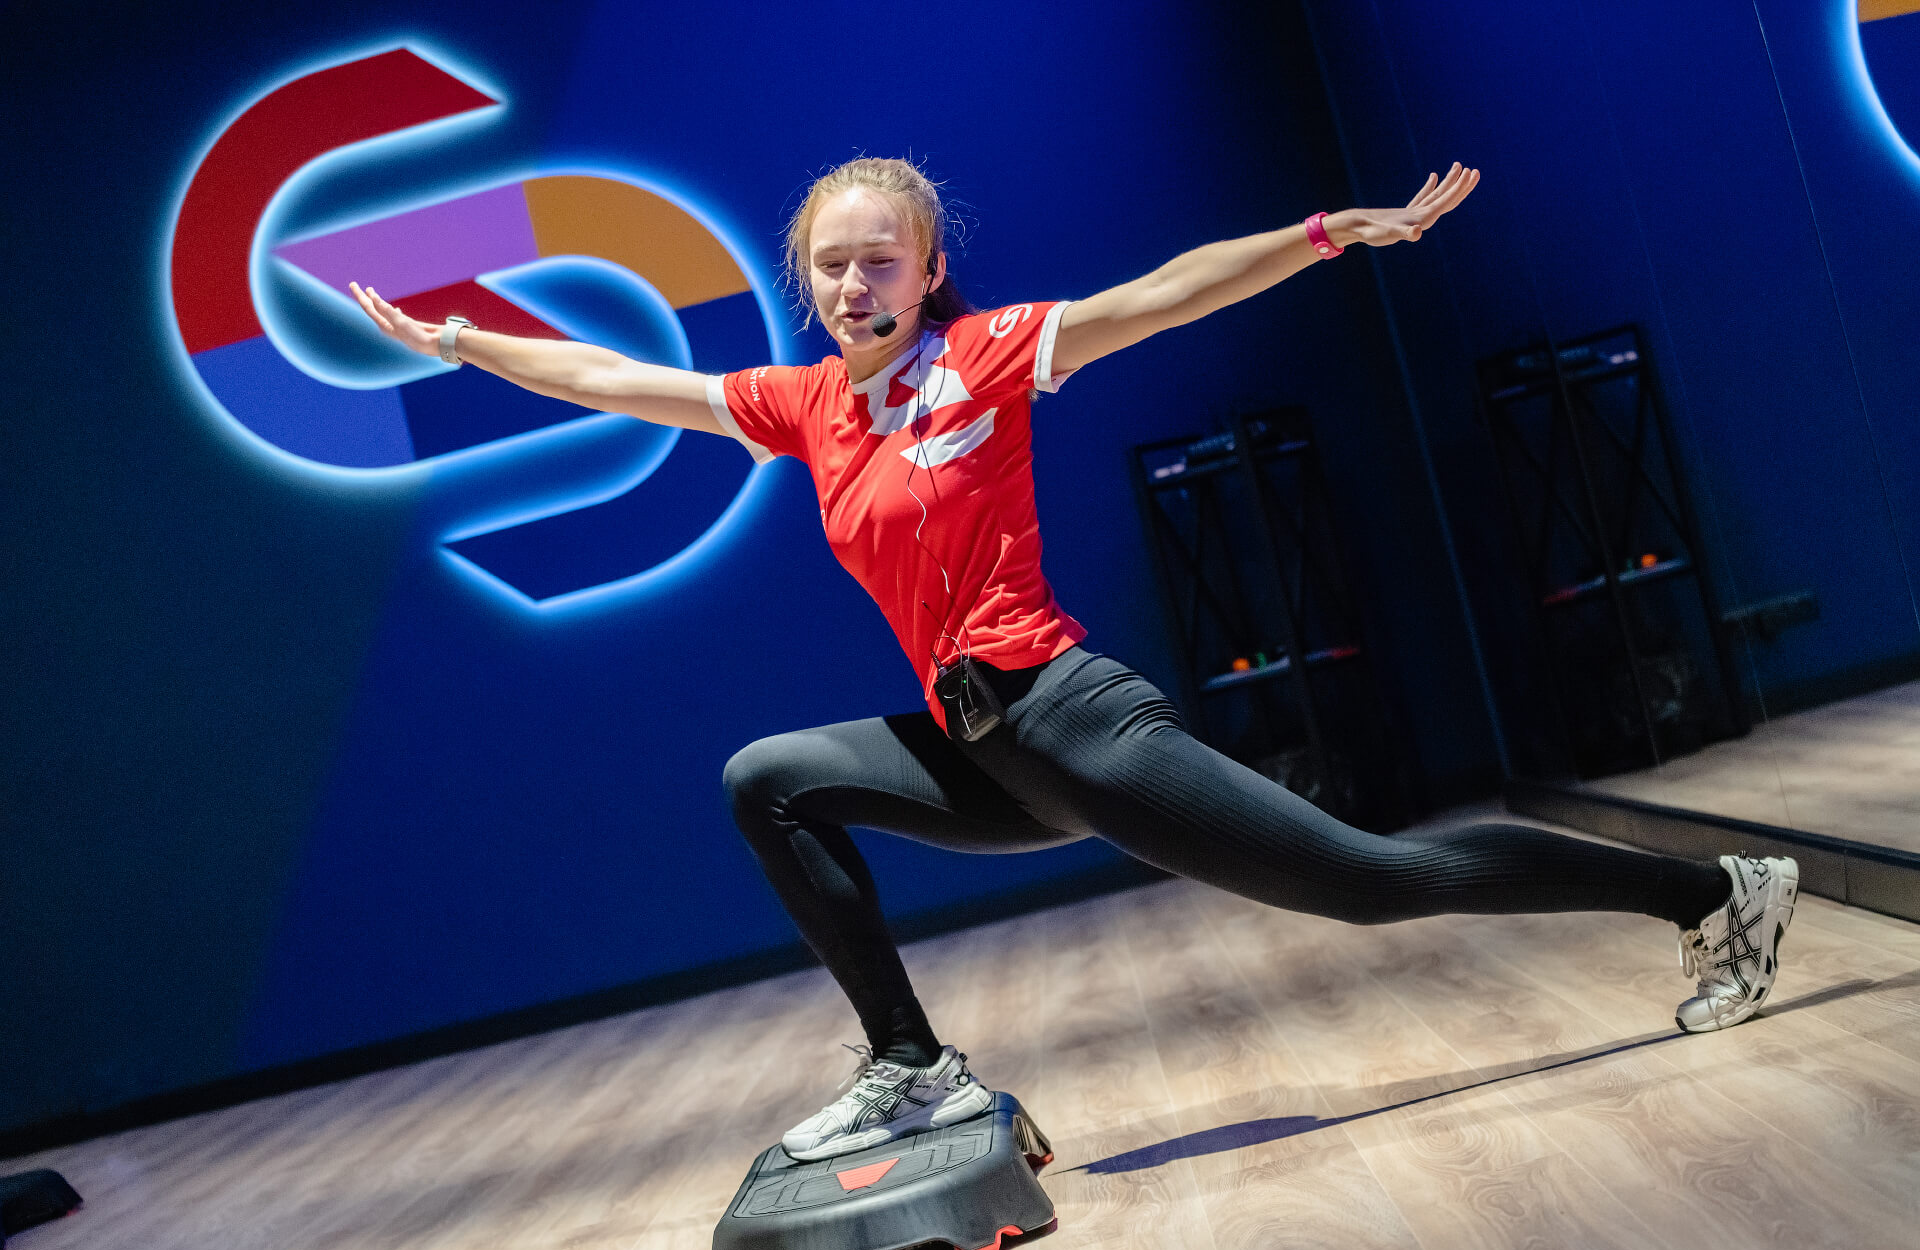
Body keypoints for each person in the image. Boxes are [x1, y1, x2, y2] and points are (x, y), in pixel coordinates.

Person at [350, 157, 1798, 1165]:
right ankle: (911, 1065)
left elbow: (1164, 292)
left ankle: (1716, 892)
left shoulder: (988, 355)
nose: (855, 281)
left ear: (928, 269)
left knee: (1373, 881)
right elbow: (621, 378)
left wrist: (1319, 236)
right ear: (807, 279)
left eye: (880, 258)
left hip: (1071, 720)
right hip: (980, 752)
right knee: (765, 780)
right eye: (832, 263)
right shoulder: (805, 407)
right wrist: (464, 338)